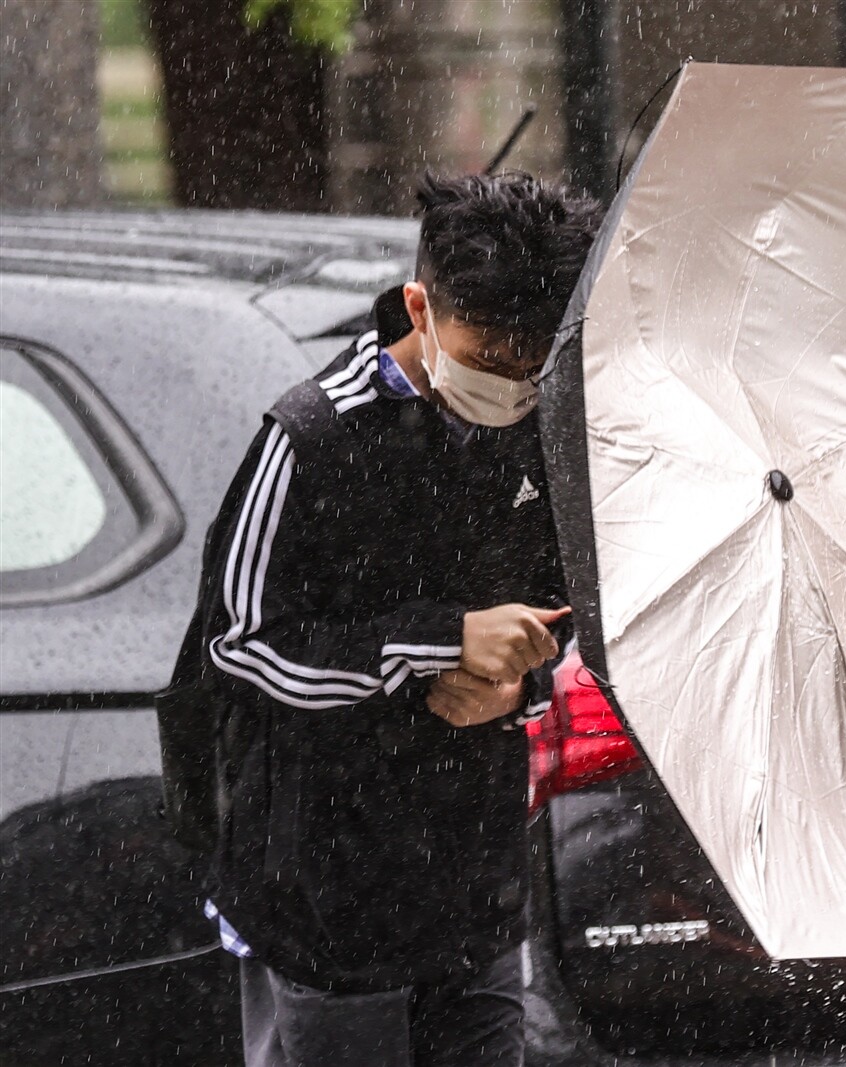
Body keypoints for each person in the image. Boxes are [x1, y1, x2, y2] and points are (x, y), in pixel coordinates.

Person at [192, 172, 602, 1066]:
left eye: (531, 368)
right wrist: (438, 642)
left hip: (477, 893)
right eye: (488, 361)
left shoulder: (544, 424)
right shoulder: (313, 438)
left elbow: (559, 611)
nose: (510, 389)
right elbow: (242, 643)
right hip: (325, 896)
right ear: (419, 305)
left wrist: (517, 682)